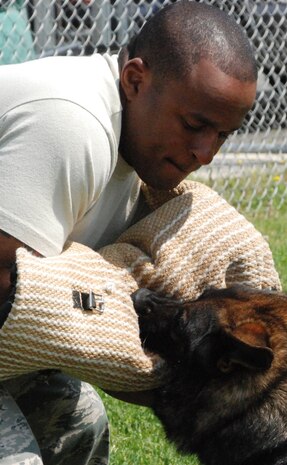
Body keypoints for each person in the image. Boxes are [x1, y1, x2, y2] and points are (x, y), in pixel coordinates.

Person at [0, 1, 257, 464]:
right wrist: (115, 323)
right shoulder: (71, 123)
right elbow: (6, 282)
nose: (206, 153)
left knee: (78, 423)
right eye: (195, 125)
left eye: (222, 134)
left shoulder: (134, 142)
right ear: (135, 80)